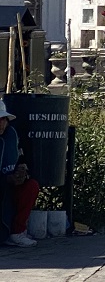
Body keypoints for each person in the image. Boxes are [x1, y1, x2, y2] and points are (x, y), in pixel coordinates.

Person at [0, 100, 39, 247]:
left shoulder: (13, 135)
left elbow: (23, 158)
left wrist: (23, 172)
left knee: (31, 186)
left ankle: (17, 232)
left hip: (10, 187)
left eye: (3, 119)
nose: (1, 124)